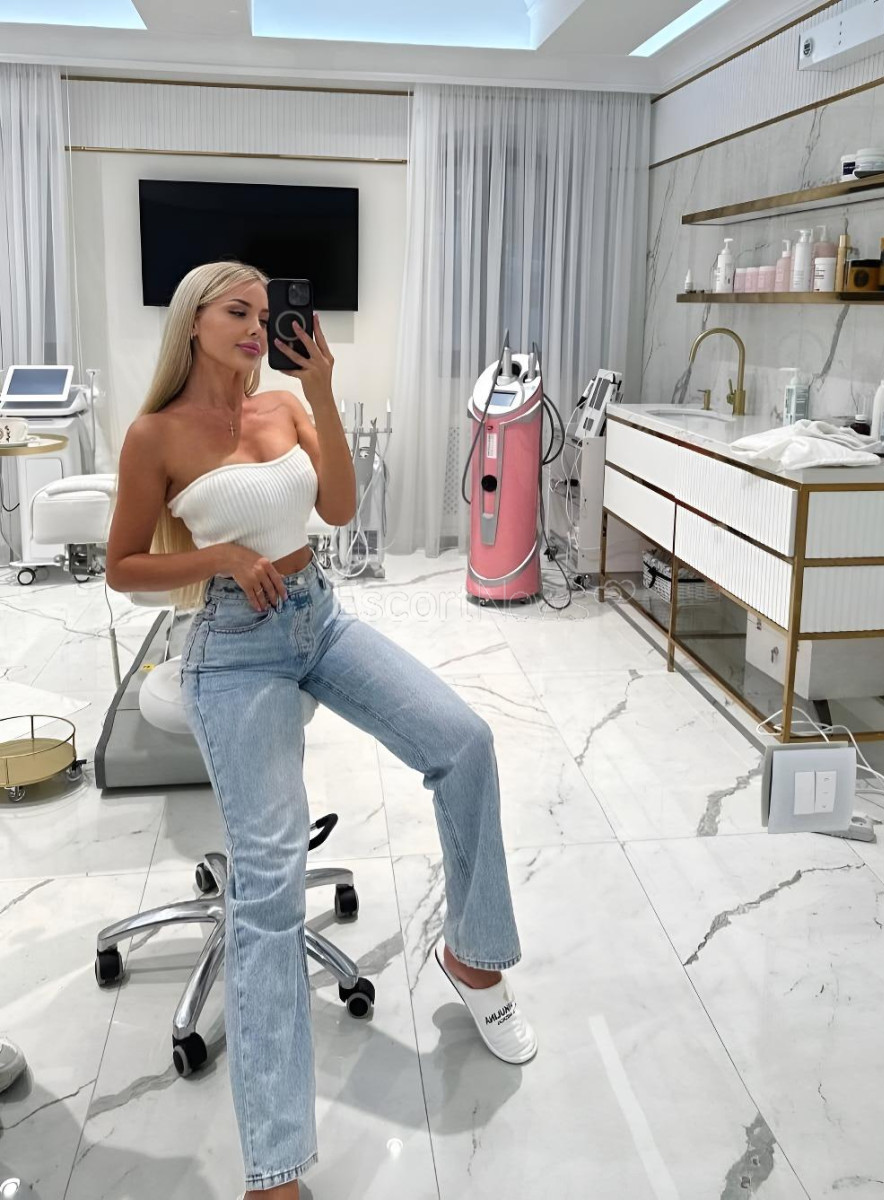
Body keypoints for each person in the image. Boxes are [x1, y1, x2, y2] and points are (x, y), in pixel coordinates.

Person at [105, 261, 537, 1200]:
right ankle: (276, 1172)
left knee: (463, 742)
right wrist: (220, 555)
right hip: (233, 649)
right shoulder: (156, 433)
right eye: (238, 311)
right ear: (193, 320)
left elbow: (337, 509)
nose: (257, 326)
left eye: (265, 313)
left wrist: (325, 391)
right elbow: (122, 566)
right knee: (269, 882)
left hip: (319, 617)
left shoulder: (284, 406)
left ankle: (472, 955)